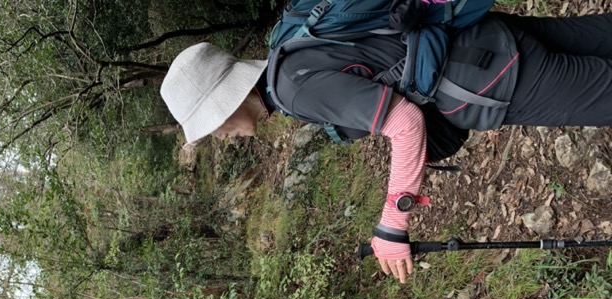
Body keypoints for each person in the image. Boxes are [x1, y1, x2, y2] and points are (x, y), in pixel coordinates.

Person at [159, 10, 612, 284]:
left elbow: (405, 121)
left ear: (229, 99)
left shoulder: (294, 91)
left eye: (213, 125)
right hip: (483, 38)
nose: (221, 136)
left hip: (493, 75)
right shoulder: (289, 47)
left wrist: (392, 226)